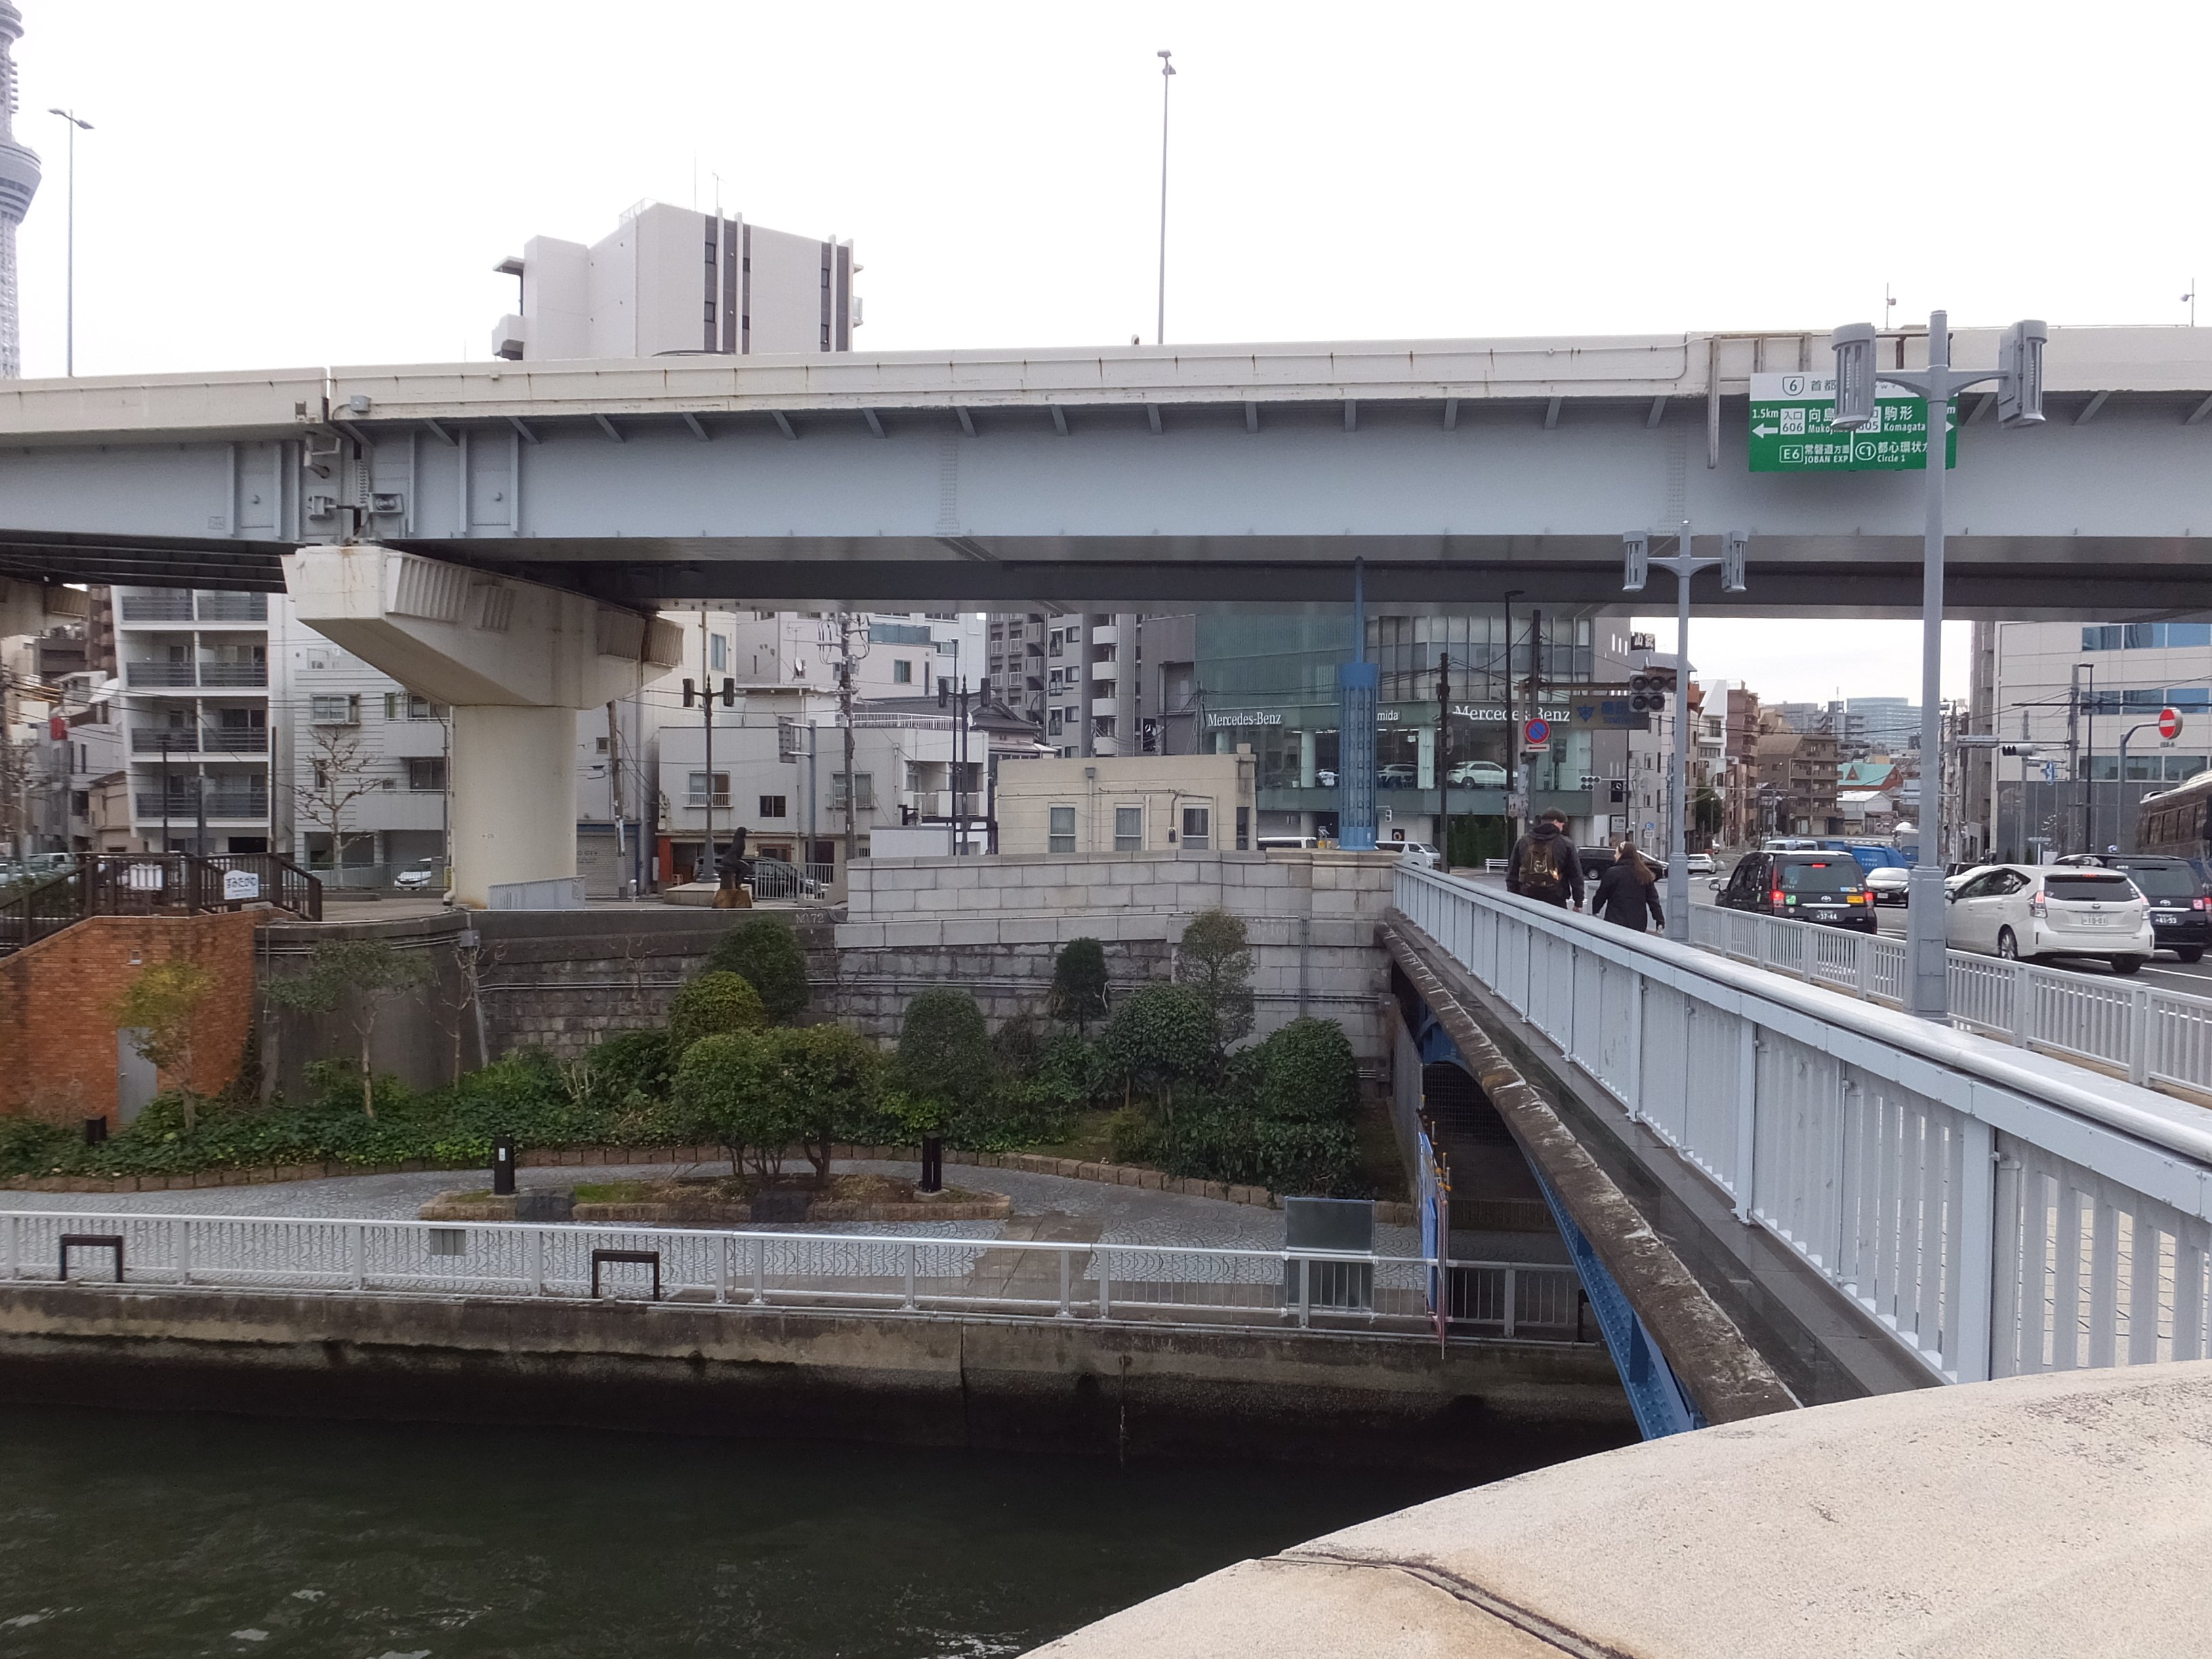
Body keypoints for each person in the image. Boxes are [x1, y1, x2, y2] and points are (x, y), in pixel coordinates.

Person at [1507, 809, 1584, 909]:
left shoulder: (1523, 841)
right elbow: (1576, 876)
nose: (1562, 828)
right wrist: (1578, 903)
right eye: (1562, 824)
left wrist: (1513, 896)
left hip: (1527, 897)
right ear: (1556, 822)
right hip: (1556, 898)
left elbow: (1512, 872)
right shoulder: (1566, 844)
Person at [1593, 837, 1666, 933]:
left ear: (1622, 855)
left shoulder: (1612, 873)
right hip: (1638, 922)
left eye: (1617, 853)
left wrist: (1595, 910)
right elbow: (1653, 900)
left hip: (1615, 920)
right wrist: (1659, 920)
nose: (1615, 856)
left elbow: (1601, 895)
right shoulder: (1644, 873)